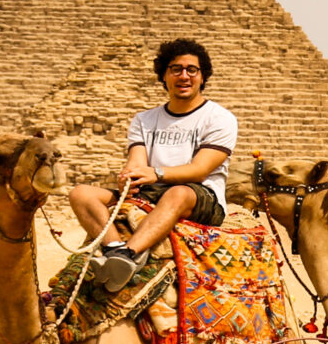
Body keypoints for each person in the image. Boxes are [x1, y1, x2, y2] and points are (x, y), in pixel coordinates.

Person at [68, 38, 237, 292]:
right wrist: (130, 177)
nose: (184, 76)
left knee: (178, 192)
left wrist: (155, 173)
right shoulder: (144, 120)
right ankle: (115, 250)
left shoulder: (219, 118)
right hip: (151, 191)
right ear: (164, 76)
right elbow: (136, 161)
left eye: (192, 70)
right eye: (175, 69)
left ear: (203, 77)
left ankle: (132, 254)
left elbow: (201, 170)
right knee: (81, 193)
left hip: (200, 196)